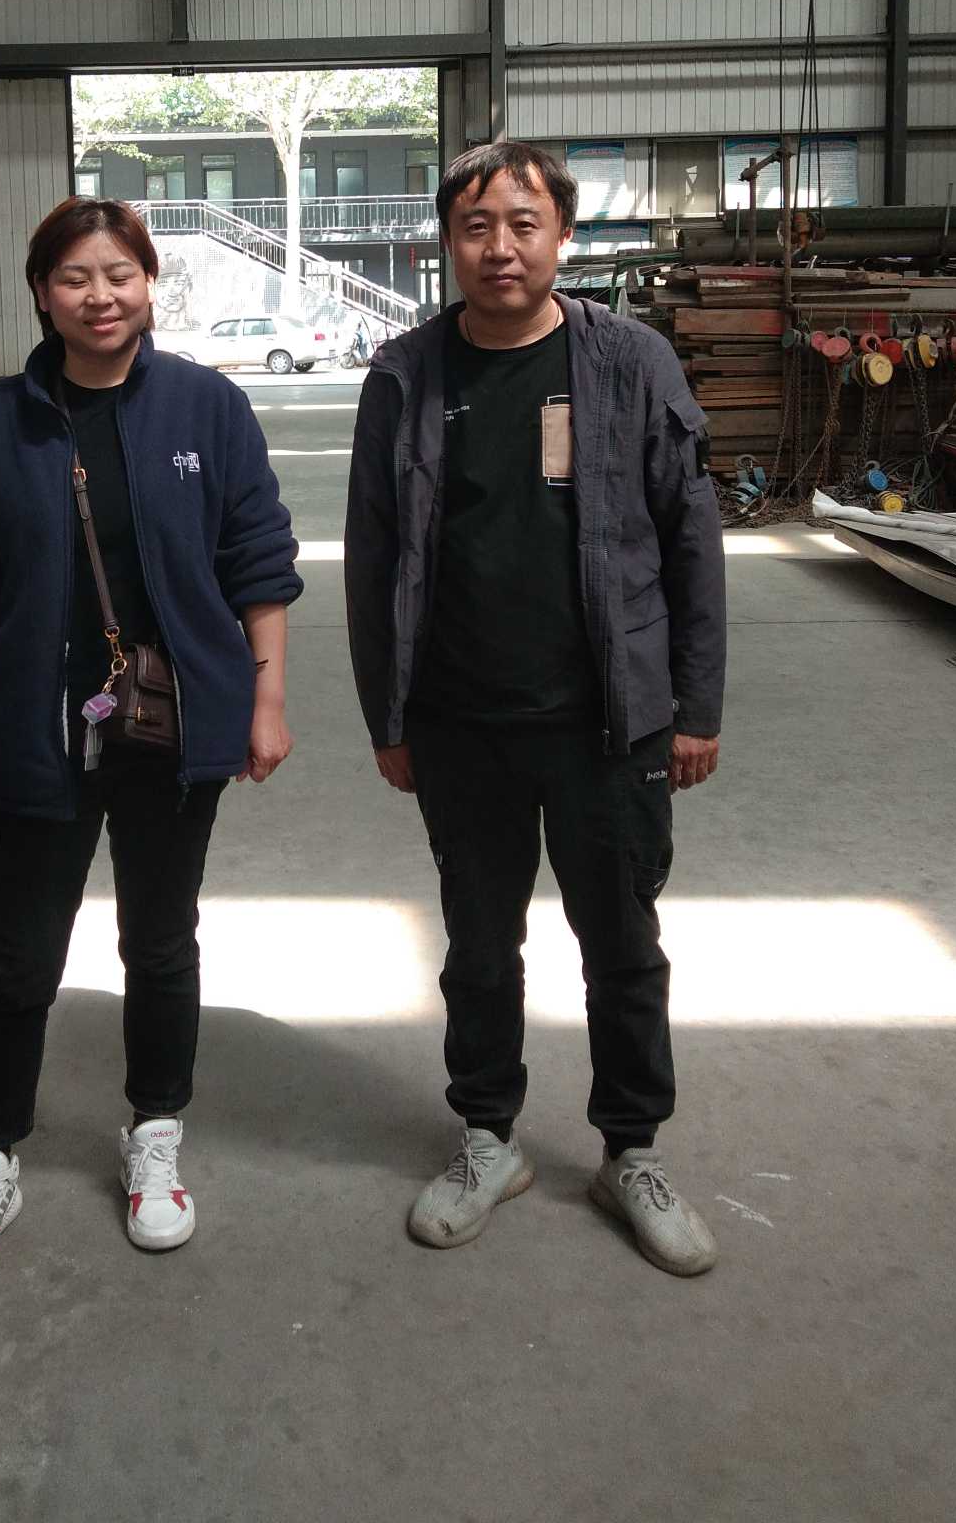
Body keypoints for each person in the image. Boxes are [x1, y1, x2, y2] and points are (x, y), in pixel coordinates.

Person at [344, 141, 726, 1276]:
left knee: (623, 945)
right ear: (446, 243)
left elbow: (691, 539)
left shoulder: (630, 361)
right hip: (461, 721)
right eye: (476, 226)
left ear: (562, 234)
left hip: (610, 718)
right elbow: (372, 558)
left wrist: (695, 704)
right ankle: (488, 1137)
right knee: (478, 946)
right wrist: (388, 717)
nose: (500, 247)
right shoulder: (405, 375)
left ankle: (631, 1150)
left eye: (523, 223)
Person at [0, 196, 302, 1289]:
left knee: (161, 943)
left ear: (149, 283)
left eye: (119, 274)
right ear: (42, 294)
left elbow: (258, 558)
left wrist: (266, 697)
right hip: (39, 730)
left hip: (174, 727)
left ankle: (155, 1134)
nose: (100, 296)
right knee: (20, 957)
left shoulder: (207, 407)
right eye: (75, 277)